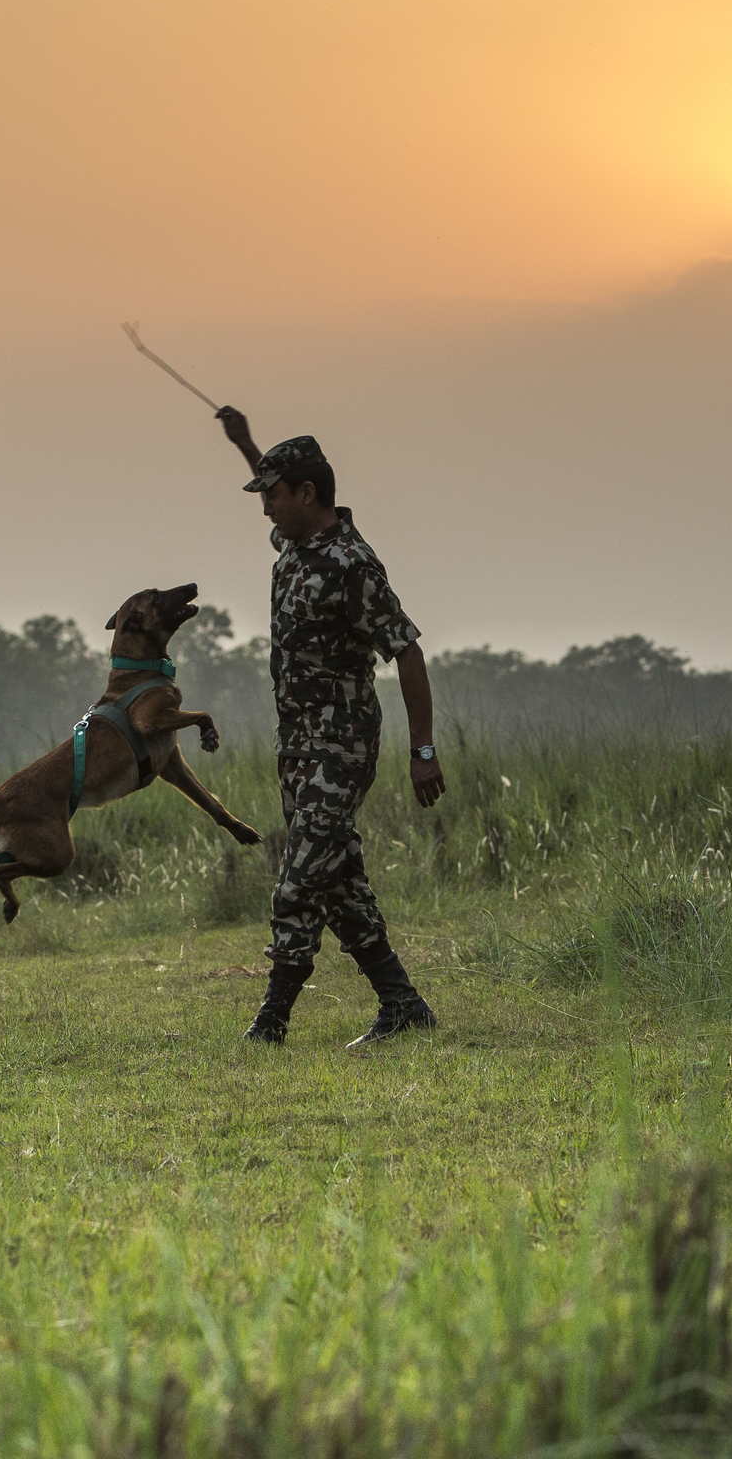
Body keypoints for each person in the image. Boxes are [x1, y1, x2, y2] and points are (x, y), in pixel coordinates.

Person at [215, 408, 445, 1048]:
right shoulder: (294, 546)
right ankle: (403, 1005)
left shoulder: (350, 565)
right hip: (296, 747)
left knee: (298, 881)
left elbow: (408, 651)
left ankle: (271, 1023)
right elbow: (275, 497)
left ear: (306, 494)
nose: (265, 510)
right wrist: (246, 446)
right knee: (337, 879)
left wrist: (423, 750)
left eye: (273, 496)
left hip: (339, 750)